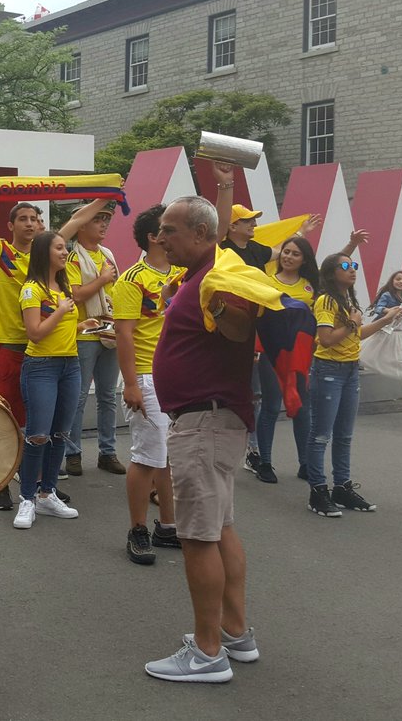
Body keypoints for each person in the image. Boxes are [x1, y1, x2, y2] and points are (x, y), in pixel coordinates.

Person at [147, 196, 259, 683]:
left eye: (169, 230)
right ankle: (234, 634)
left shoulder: (218, 275)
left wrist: (222, 308)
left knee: (196, 537)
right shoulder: (204, 272)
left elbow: (239, 328)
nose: (160, 238)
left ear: (199, 233)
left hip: (204, 423)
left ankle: (209, 653)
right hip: (209, 421)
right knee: (221, 529)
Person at [0, 189, 109, 509]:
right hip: (15, 348)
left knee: (44, 425)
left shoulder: (47, 253)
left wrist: (106, 196)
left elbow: (77, 219)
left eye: (34, 218)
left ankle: (44, 488)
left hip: (50, 352)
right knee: (6, 420)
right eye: (23, 219)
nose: (30, 224)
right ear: (11, 225)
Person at [219, 194, 321, 470]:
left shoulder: (256, 249)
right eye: (247, 220)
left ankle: (257, 455)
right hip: (228, 328)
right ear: (231, 226)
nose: (253, 224)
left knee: (260, 398)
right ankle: (248, 455)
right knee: (244, 398)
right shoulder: (221, 249)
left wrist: (301, 233)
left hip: (261, 336)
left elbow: (283, 251)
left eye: (254, 221)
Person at [305, 253, 402, 517]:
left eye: (354, 265)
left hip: (350, 371)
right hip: (328, 371)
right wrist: (352, 322)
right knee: (321, 434)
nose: (352, 270)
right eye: (345, 266)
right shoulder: (325, 300)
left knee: (344, 435)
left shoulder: (348, 300)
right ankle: (318, 491)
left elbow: (356, 334)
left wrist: (384, 320)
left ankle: (342, 488)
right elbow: (325, 339)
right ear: (331, 272)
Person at [112, 205, 182, 565]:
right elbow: (123, 333)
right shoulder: (130, 279)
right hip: (145, 376)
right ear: (155, 237)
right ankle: (137, 529)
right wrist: (130, 384)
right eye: (170, 228)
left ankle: (167, 527)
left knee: (167, 457)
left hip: (176, 375)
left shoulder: (182, 273)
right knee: (146, 456)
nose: (178, 233)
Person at [12, 231, 87, 530]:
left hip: (70, 365)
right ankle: (27, 497)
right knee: (38, 434)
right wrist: (61, 311)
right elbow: (35, 332)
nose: (65, 251)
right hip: (41, 367)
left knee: (60, 433)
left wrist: (81, 325)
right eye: (59, 247)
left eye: (65, 247)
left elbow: (59, 328)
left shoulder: (63, 287)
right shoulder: (32, 289)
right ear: (44, 252)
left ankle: (48, 493)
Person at [250, 236, 319, 484]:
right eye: (286, 252)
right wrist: (256, 350)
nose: (289, 257)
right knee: (270, 405)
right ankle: (265, 463)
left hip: (300, 356)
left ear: (304, 259)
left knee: (302, 407)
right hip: (271, 353)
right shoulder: (265, 283)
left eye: (295, 254)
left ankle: (305, 464)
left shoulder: (312, 287)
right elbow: (256, 319)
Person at [64, 200, 124, 476]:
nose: (104, 225)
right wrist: (101, 279)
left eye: (106, 220)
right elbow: (75, 295)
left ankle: (107, 452)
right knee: (78, 397)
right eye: (98, 219)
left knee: (108, 396)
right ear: (81, 224)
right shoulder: (73, 257)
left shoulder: (108, 253)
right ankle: (73, 453)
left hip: (110, 333)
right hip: (85, 335)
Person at [369, 270, 402, 405]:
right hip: (384, 330)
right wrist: (390, 311)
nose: (401, 282)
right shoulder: (387, 295)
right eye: (398, 279)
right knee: (366, 352)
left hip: (399, 333)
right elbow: (378, 308)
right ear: (392, 281)